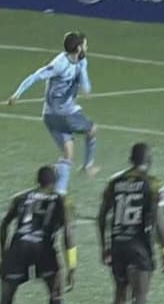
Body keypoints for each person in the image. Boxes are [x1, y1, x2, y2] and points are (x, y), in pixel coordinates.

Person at [0, 166, 76, 304]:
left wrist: (3, 255)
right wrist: (72, 265)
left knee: (5, 301)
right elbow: (68, 233)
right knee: (55, 294)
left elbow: (4, 225)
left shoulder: (21, 197)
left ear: (37, 181)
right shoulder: (61, 200)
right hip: (44, 249)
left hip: (18, 247)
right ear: (55, 182)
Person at [98, 143, 164, 304]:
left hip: (118, 244)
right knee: (139, 299)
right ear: (149, 161)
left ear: (131, 159)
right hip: (139, 247)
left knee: (120, 295)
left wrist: (104, 245)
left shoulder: (115, 182)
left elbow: (101, 216)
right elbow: (158, 220)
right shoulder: (153, 184)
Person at [7, 32, 97, 195]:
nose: (87, 48)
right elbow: (37, 76)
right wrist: (17, 93)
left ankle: (60, 192)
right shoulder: (59, 64)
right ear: (78, 48)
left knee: (68, 155)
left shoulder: (76, 61)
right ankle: (88, 165)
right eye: (85, 45)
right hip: (65, 115)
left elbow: (85, 90)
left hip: (49, 117)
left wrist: (16, 95)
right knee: (92, 129)